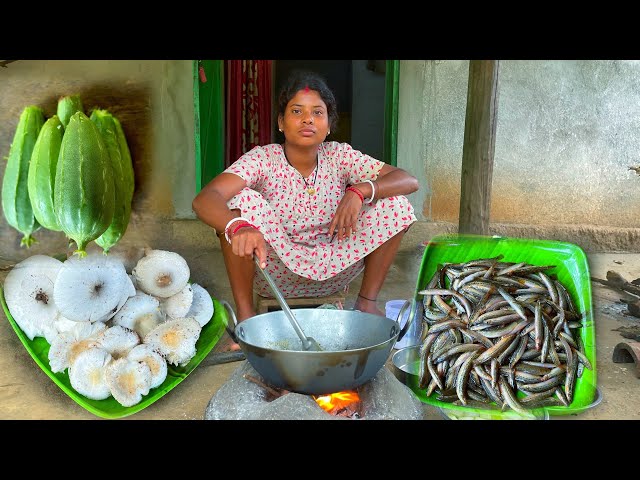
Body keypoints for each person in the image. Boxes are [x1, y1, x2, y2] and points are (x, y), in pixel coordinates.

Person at [192, 70, 419, 350]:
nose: (307, 119)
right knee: (239, 202)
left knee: (393, 202)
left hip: (336, 268)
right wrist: (238, 226)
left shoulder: (339, 155)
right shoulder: (264, 158)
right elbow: (206, 198)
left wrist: (359, 190)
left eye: (317, 113)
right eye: (296, 111)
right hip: (275, 272)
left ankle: (367, 304)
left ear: (329, 124)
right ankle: (246, 320)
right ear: (281, 122)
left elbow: (408, 180)